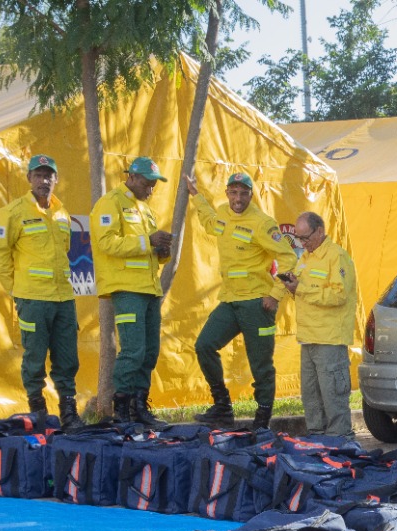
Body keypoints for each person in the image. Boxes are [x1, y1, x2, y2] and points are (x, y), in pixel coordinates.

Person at [184, 172, 299, 429]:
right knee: (204, 346)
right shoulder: (224, 213)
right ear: (227, 193)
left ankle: (262, 420)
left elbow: (289, 258)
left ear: (251, 194)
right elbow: (211, 222)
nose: (238, 198)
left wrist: (275, 294)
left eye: (243, 193)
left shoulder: (262, 223)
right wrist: (195, 195)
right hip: (230, 301)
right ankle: (222, 407)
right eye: (233, 192)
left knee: (261, 366)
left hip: (257, 303)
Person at [0, 154, 83, 431]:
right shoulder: (14, 212)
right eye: (38, 175)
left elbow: (63, 252)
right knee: (35, 359)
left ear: (56, 179)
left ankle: (69, 415)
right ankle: (38, 414)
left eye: (49, 175)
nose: (44, 180)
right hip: (33, 299)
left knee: (68, 358)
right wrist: (16, 290)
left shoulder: (62, 212)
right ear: (29, 179)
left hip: (64, 298)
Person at [90, 156, 172, 425]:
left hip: (149, 289)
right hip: (126, 289)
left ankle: (140, 407)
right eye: (147, 183)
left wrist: (161, 251)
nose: (151, 190)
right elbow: (106, 243)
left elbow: (150, 253)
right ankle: (121, 410)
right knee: (133, 350)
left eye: (154, 185)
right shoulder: (110, 203)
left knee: (149, 351)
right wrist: (147, 241)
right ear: (132, 177)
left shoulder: (146, 210)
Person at [277, 211, 358, 437]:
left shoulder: (336, 256)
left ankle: (340, 442)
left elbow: (339, 295)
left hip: (329, 339)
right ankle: (316, 440)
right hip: (308, 337)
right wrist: (292, 287)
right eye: (298, 239)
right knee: (311, 397)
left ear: (320, 231)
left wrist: (301, 289)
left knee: (333, 397)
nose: (302, 243)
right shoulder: (305, 258)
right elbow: (307, 293)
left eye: (305, 238)